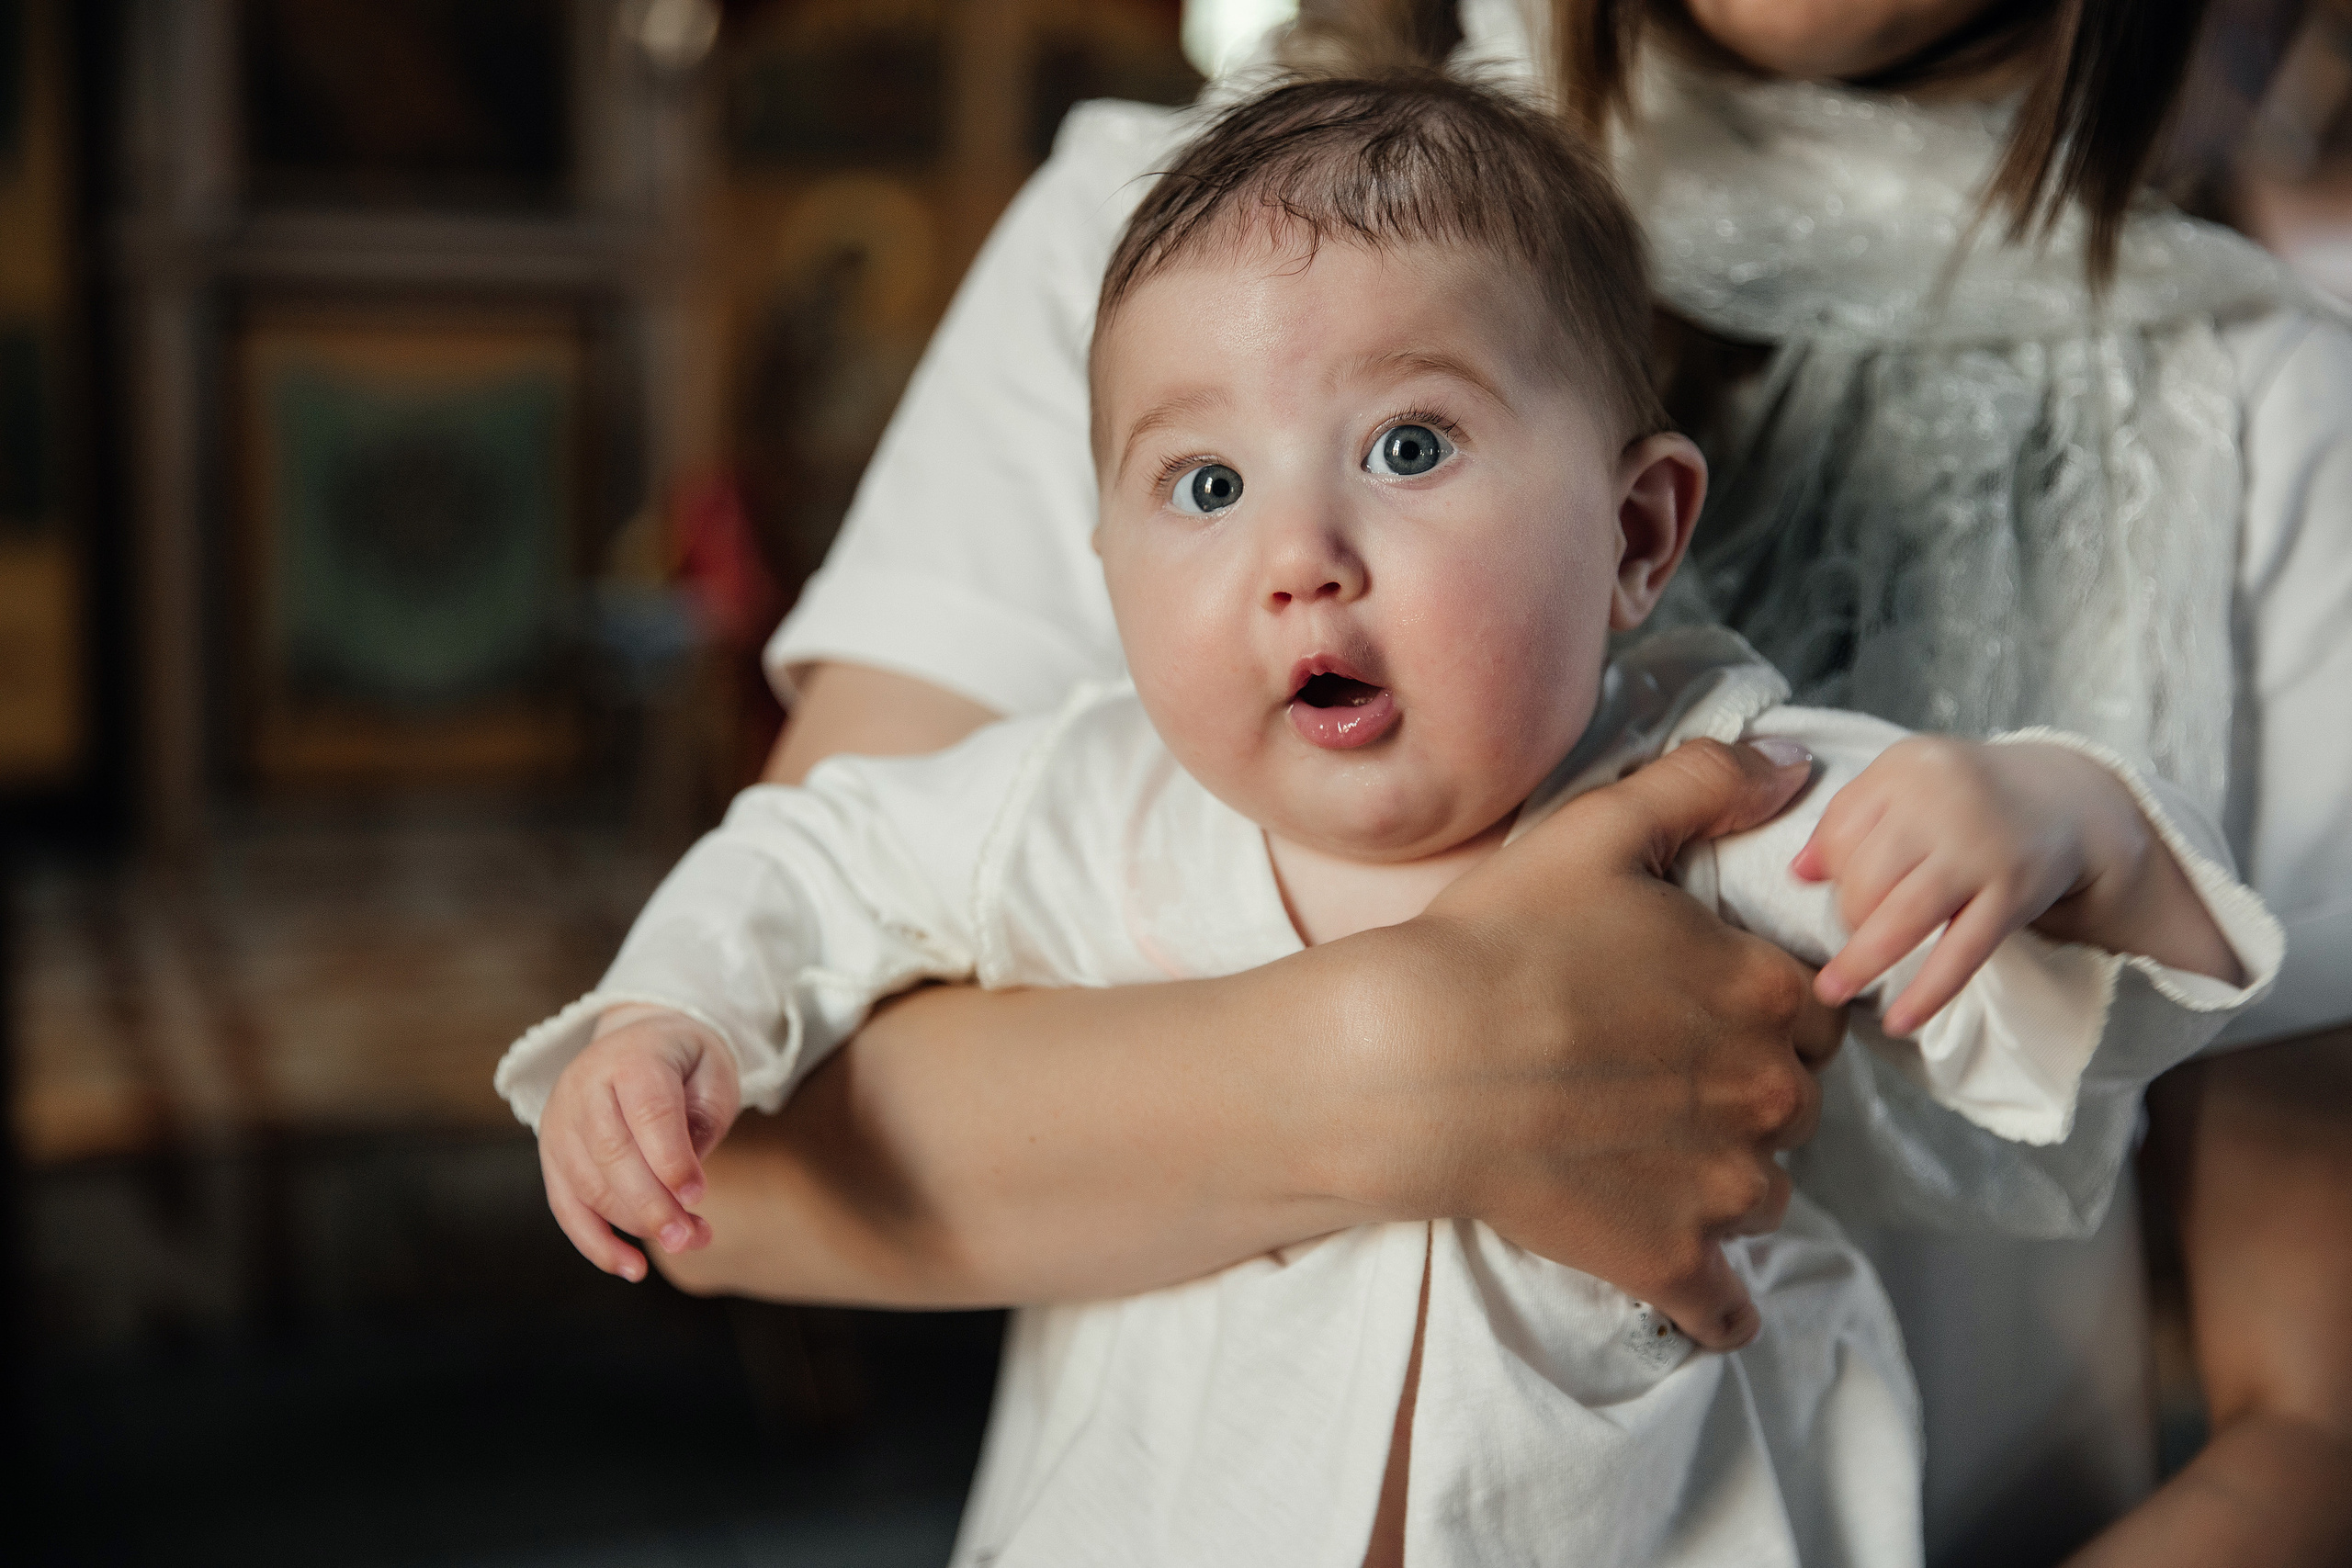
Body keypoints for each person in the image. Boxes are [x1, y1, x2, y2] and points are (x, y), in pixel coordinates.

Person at [607, 3, 2352, 1563]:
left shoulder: (1709, 774)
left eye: (1413, 448)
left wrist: (2076, 822)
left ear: (1640, 532)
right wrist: (1412, 1062)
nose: (1297, 554)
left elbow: (2288, 1369)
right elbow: (785, 976)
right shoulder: (1162, 297)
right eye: (1205, 489)